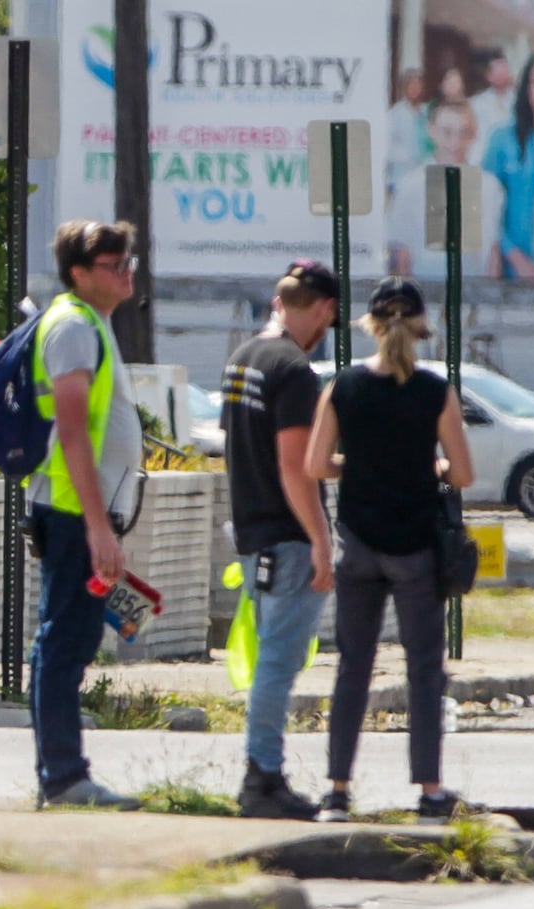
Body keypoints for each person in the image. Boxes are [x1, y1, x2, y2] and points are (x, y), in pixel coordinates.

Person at [304, 277, 477, 825]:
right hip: (417, 550)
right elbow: (464, 473)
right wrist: (427, 466)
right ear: (422, 327)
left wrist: (358, 464)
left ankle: (336, 790)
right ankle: (429, 791)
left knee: (353, 665)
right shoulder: (435, 392)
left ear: (371, 325)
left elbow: (315, 465)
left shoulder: (343, 387)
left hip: (357, 544)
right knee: (425, 669)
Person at [24, 220, 146, 810]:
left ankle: (61, 774)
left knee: (64, 642)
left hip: (82, 512)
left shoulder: (89, 323)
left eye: (130, 261)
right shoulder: (73, 326)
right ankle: (65, 777)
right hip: (75, 513)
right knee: (64, 645)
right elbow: (72, 431)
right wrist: (98, 527)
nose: (126, 271)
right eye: (113, 263)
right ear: (79, 272)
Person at [219, 260, 337, 820]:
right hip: (287, 537)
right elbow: (294, 467)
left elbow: (250, 450)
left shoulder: (242, 359)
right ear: (324, 309)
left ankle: (262, 773)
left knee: (270, 658)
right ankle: (262, 778)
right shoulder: (294, 369)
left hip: (252, 530)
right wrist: (320, 538)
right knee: (278, 665)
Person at [386, 100, 503, 280]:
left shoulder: (489, 186)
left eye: (464, 132)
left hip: (472, 291)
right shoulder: (411, 185)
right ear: (431, 131)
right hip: (424, 291)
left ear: (474, 134)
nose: (455, 142)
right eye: (447, 132)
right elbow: (402, 253)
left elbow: (492, 254)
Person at [483, 47, 534, 280]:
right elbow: (485, 209)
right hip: (516, 274)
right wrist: (516, 259)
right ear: (526, 88)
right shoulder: (503, 140)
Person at [387, 68, 430, 193]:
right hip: (403, 171)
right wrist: (407, 157)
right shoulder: (395, 113)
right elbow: (389, 145)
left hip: (425, 170)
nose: (414, 88)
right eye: (411, 84)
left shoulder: (427, 111)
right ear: (404, 87)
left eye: (418, 84)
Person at [468, 50, 515, 156]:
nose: (501, 76)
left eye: (504, 72)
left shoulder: (519, 101)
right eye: (497, 73)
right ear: (489, 76)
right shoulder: (476, 103)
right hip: (484, 153)